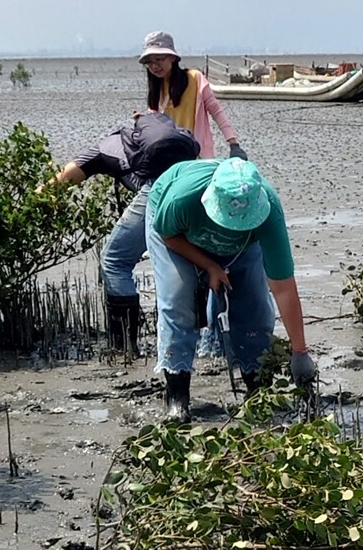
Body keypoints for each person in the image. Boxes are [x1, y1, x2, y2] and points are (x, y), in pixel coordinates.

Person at [145, 157, 317, 419]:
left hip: (242, 248)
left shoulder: (269, 211)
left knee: (254, 304)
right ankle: (177, 397)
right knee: (179, 299)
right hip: (178, 236)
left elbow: (283, 288)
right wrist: (210, 266)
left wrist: (300, 351)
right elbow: (168, 235)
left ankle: (256, 390)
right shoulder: (183, 198)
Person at [50, 112, 201, 355]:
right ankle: (208, 344)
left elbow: (62, 181)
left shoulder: (101, 149)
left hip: (158, 190)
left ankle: (124, 347)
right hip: (194, 182)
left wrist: (32, 201)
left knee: (114, 261)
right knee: (194, 261)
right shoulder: (165, 142)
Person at [139, 31, 244, 161]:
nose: (154, 66)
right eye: (149, 63)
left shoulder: (195, 79)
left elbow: (216, 111)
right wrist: (142, 121)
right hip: (169, 158)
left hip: (197, 156)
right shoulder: (157, 89)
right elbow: (155, 125)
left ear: (172, 57)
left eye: (159, 59)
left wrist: (233, 144)